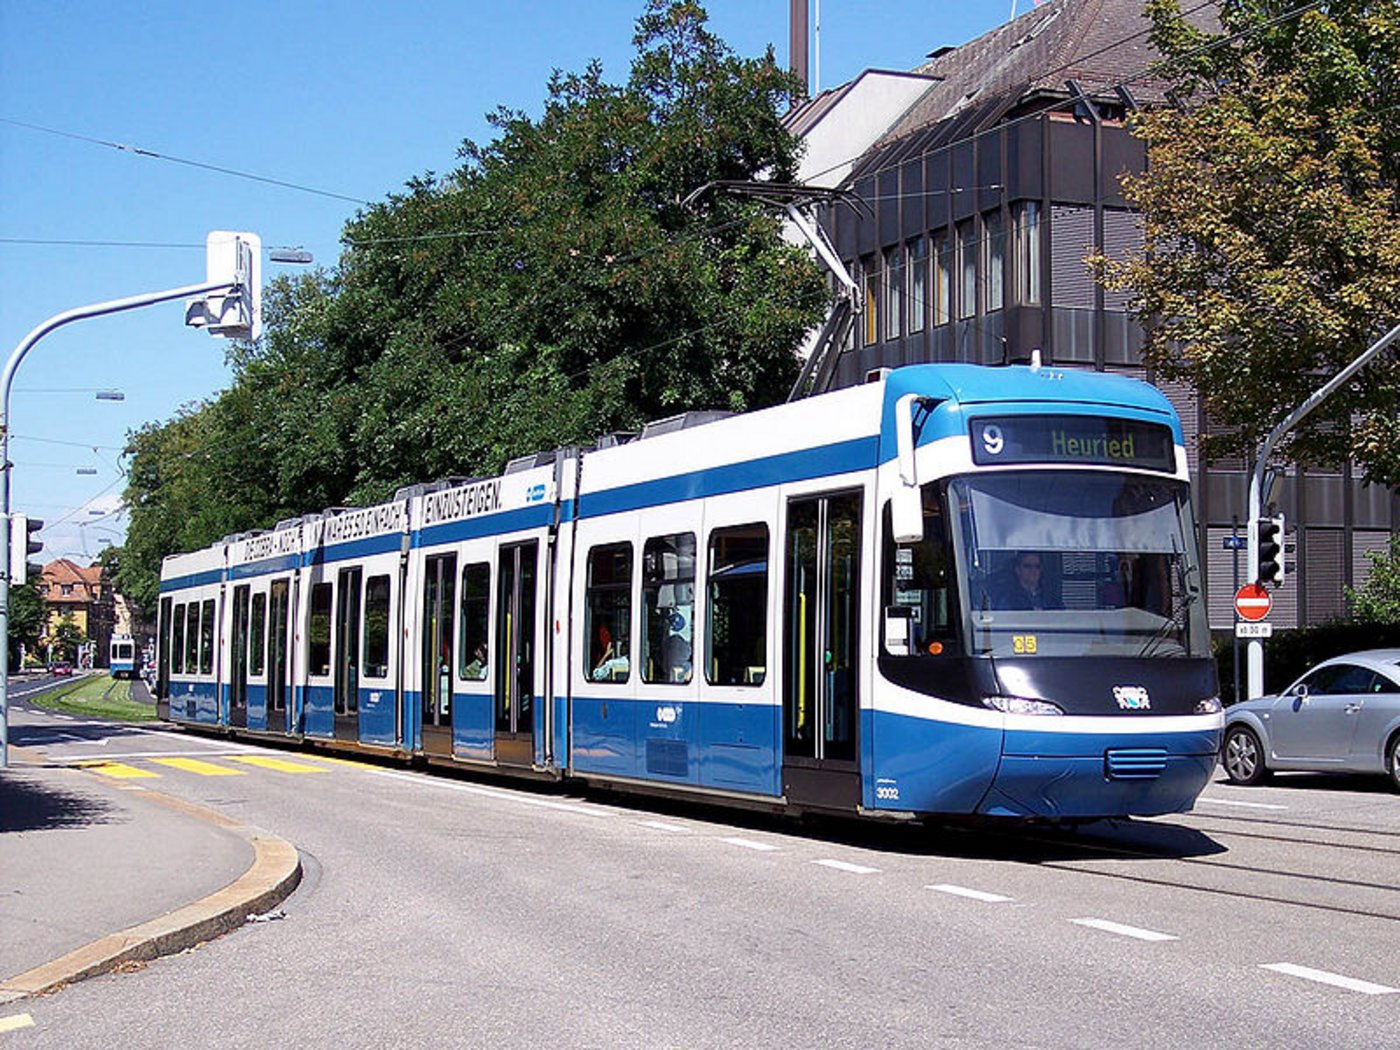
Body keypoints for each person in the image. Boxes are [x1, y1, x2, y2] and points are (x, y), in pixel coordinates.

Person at [990, 551, 1062, 610]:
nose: (1033, 570)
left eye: (1037, 566)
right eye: (1027, 566)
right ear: (1017, 570)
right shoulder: (1008, 599)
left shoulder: (1051, 599)